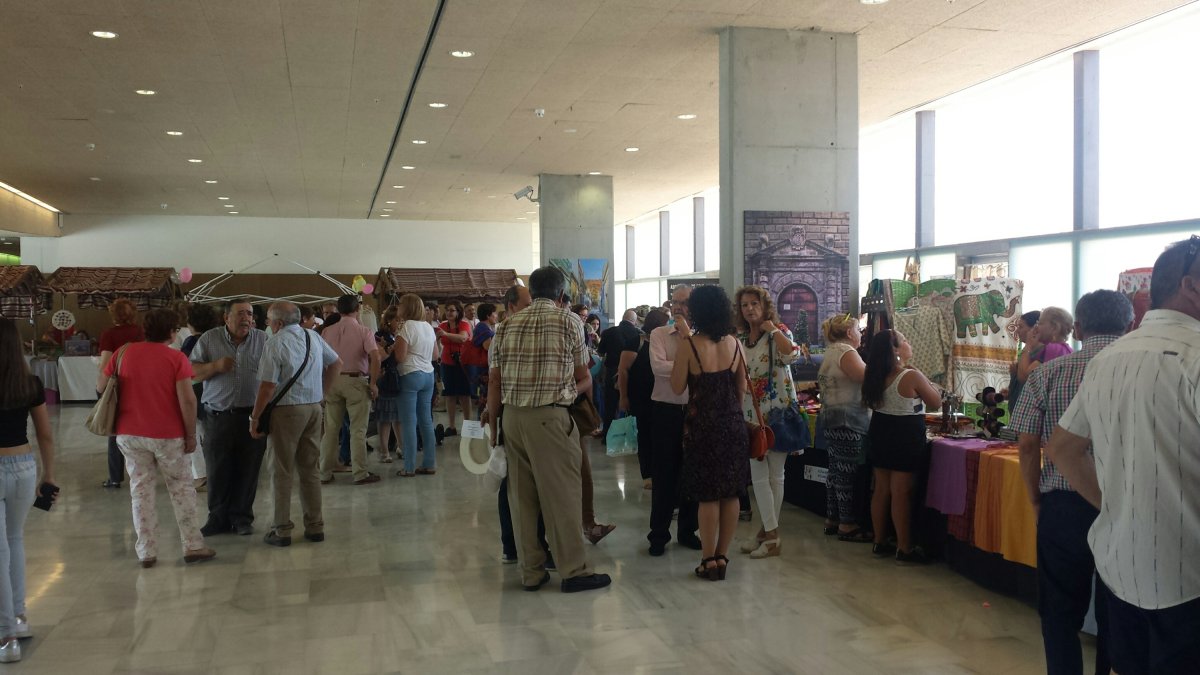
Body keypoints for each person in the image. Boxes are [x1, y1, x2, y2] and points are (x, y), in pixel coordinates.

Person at [1046, 237, 1200, 675]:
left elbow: (1062, 447)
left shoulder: (1110, 357)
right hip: (1189, 575)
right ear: (1191, 285)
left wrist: (1117, 504)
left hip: (1122, 565)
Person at [1010, 291, 1132, 675]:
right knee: (1119, 607)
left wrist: (1035, 502)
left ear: (1077, 328)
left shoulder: (1048, 372)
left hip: (1063, 505)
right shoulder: (1142, 371)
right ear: (1130, 326)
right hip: (1127, 504)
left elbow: (1028, 446)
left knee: (1060, 611)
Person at [485, 266, 610, 593]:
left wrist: (495, 429)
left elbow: (494, 381)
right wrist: (574, 389)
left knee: (521, 498)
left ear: (531, 290)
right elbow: (582, 374)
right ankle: (574, 570)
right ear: (560, 293)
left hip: (512, 418)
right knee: (562, 496)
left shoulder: (506, 325)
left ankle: (531, 571)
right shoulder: (570, 321)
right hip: (550, 418)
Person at [101, 308, 215, 568]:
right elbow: (187, 400)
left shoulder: (123, 353)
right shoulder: (175, 359)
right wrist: (189, 435)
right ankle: (193, 546)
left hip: (129, 433)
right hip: (168, 434)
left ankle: (146, 551)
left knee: (140, 492)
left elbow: (101, 386)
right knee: (181, 490)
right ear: (173, 332)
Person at [669, 284, 749, 580]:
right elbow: (740, 391)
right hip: (732, 424)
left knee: (708, 496)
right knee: (730, 493)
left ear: (697, 311)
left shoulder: (689, 345)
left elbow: (677, 388)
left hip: (702, 426)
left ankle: (707, 559)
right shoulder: (735, 344)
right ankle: (722, 556)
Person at [251, 302, 341, 547]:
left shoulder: (275, 343)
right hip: (313, 408)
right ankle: (315, 526)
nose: (268, 324)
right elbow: (336, 363)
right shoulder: (313, 336)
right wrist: (322, 393)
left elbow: (268, 386)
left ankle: (281, 529)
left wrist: (256, 416)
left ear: (278, 323)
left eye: (269, 320)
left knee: (281, 470)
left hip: (287, 412)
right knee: (309, 469)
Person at [0, 318, 56, 664]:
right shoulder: (30, 383)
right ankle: (18, 618)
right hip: (23, 466)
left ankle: (6, 635)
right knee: (15, 541)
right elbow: (46, 435)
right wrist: (48, 476)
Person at [734, 286, 803, 558]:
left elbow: (791, 355)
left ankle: (770, 534)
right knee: (759, 476)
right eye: (744, 305)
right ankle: (767, 533)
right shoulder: (740, 338)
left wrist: (773, 329)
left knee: (775, 476)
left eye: (754, 303)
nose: (749, 309)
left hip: (777, 412)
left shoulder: (779, 333)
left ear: (764, 305)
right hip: (751, 415)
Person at [861, 329, 941, 564]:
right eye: (904, 340)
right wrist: (923, 377)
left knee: (881, 489)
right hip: (904, 433)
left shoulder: (873, 374)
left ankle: (879, 540)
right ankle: (905, 547)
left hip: (880, 429)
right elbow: (935, 402)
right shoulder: (910, 376)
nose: (908, 343)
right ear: (895, 349)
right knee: (901, 492)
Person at [189, 298, 268, 536]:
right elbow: (191, 372)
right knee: (217, 469)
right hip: (218, 417)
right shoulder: (209, 339)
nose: (247, 318)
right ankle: (217, 518)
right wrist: (214, 367)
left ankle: (242, 517)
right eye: (241, 313)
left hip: (252, 417)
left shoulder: (264, 340)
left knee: (249, 470)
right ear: (226, 318)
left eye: (250, 314)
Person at [646, 285, 703, 556]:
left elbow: (705, 368)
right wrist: (689, 365)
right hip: (665, 411)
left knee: (691, 473)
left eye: (685, 302)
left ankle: (688, 531)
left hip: (694, 410)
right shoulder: (658, 333)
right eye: (675, 302)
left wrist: (687, 342)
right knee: (664, 475)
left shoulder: (700, 336)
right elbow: (658, 367)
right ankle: (658, 534)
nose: (679, 307)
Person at [817, 314, 872, 542]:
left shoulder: (831, 350)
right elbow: (866, 378)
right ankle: (847, 524)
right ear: (850, 332)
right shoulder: (846, 352)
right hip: (847, 419)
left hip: (832, 417)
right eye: (858, 330)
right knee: (846, 473)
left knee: (836, 470)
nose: (860, 334)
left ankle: (833, 518)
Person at [318, 294, 381, 485]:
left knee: (330, 430)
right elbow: (376, 357)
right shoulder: (364, 331)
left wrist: (322, 385)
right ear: (358, 309)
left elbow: (320, 360)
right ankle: (360, 473)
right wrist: (373, 382)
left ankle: (324, 473)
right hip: (355, 381)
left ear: (338, 309)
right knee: (358, 430)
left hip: (332, 381)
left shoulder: (327, 331)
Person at [617, 309, 669, 490]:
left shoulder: (666, 342)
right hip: (640, 397)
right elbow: (623, 370)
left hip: (663, 397)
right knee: (645, 435)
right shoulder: (637, 342)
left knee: (661, 435)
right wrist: (623, 397)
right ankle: (648, 474)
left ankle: (661, 472)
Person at [97, 298, 144, 489]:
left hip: (118, 387)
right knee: (140, 428)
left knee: (115, 431)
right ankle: (141, 472)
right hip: (140, 385)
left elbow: (106, 364)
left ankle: (115, 477)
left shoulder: (108, 334)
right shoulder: (141, 332)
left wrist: (100, 389)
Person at [393, 294, 439, 478]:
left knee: (409, 423)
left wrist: (393, 347)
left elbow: (400, 357)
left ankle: (409, 467)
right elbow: (436, 355)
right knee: (426, 421)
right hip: (428, 375)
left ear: (407, 308)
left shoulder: (406, 327)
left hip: (410, 375)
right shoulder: (428, 327)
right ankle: (429, 463)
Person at [181, 304, 221, 493]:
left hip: (195, 391)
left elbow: (184, 369)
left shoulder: (190, 343)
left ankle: (201, 475)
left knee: (196, 432)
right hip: (215, 390)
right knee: (211, 433)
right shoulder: (217, 339)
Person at [597, 310, 640, 435]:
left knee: (610, 405)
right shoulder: (638, 334)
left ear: (622, 318)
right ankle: (629, 435)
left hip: (611, 372)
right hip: (631, 374)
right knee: (630, 405)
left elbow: (601, 352)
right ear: (634, 321)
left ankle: (607, 435)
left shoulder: (609, 332)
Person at [435, 300, 472, 437]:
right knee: (449, 395)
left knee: (464, 395)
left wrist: (444, 334)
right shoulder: (442, 325)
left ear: (458, 312)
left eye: (452, 310)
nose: (449, 313)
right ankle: (451, 426)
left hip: (462, 363)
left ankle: (467, 426)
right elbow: (436, 341)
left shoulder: (464, 324)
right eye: (447, 310)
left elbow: (463, 338)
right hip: (446, 363)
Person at [374, 306, 403, 463]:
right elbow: (378, 358)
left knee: (398, 417)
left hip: (396, 378)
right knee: (385, 418)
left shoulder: (396, 335)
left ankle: (401, 446)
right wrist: (390, 349)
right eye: (396, 320)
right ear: (388, 321)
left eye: (400, 320)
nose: (399, 323)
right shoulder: (379, 336)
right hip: (385, 379)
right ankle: (384, 451)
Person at [1018, 306, 1073, 383]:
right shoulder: (1065, 349)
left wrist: (1028, 345)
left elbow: (1025, 377)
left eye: (1040, 323)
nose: (1036, 327)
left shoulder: (1055, 349)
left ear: (1055, 327)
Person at [1005, 310, 1040, 406]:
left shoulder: (1039, 355)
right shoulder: (1027, 353)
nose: (1017, 331)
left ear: (1034, 329)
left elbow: (1024, 379)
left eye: (1021, 327)